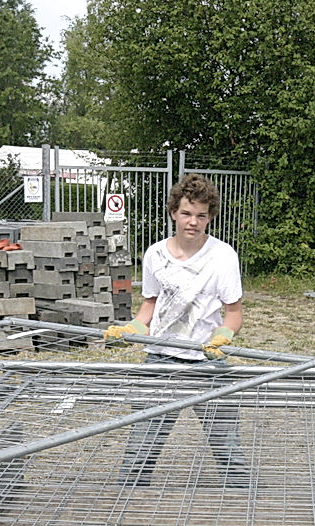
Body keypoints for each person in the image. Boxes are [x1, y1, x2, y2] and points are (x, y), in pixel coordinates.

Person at [103, 173, 247, 487]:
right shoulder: (155, 255)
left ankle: (245, 503)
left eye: (201, 215)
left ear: (210, 217)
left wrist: (224, 334)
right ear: (173, 213)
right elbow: (149, 306)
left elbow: (233, 314)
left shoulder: (223, 257)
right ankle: (127, 506)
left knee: (227, 444)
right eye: (186, 213)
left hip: (207, 360)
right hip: (161, 359)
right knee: (141, 444)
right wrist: (134, 327)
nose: (192, 222)